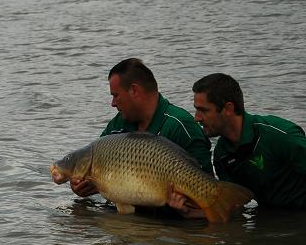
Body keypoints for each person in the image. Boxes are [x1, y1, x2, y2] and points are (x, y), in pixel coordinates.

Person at [71, 58, 213, 202]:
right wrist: (82, 184)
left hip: (167, 220)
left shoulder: (180, 125)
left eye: (115, 95)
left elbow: (208, 185)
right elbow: (94, 160)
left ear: (134, 90)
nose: (113, 103)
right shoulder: (117, 125)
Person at [190, 73, 306, 209]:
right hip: (270, 221)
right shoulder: (221, 155)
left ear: (228, 108)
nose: (196, 118)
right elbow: (233, 208)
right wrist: (188, 212)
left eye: (203, 110)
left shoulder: (279, 136)